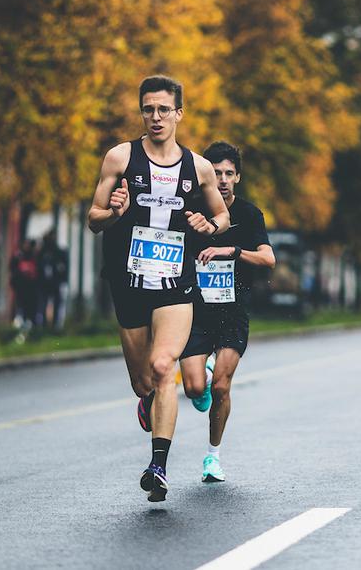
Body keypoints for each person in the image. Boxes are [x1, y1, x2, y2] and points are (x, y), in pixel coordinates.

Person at [88, 75, 229, 502]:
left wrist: (210, 225)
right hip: (129, 281)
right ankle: (147, 401)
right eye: (148, 109)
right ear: (141, 113)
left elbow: (222, 216)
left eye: (164, 109)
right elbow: (93, 218)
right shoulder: (120, 158)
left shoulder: (199, 168)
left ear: (179, 114)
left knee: (164, 365)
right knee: (142, 380)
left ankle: (158, 467)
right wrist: (113, 213)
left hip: (175, 281)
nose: (156, 117)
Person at [180, 142, 275, 484]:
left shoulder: (249, 215)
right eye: (216, 173)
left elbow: (268, 259)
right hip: (194, 312)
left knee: (222, 386)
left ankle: (212, 457)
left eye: (228, 174)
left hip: (233, 311)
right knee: (194, 389)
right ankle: (201, 378)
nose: (222, 180)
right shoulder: (192, 210)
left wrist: (232, 251)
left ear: (238, 177)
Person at [37, 231, 69, 330]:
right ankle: (43, 324)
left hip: (55, 282)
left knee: (56, 303)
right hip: (44, 282)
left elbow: (64, 267)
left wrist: (63, 279)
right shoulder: (42, 252)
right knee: (43, 303)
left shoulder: (58, 251)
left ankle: (55, 325)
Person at [9, 239, 38, 330]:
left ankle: (28, 321)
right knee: (19, 302)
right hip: (20, 285)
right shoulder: (18, 256)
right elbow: (11, 268)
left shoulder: (33, 256)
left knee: (28, 304)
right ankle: (18, 319)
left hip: (30, 285)